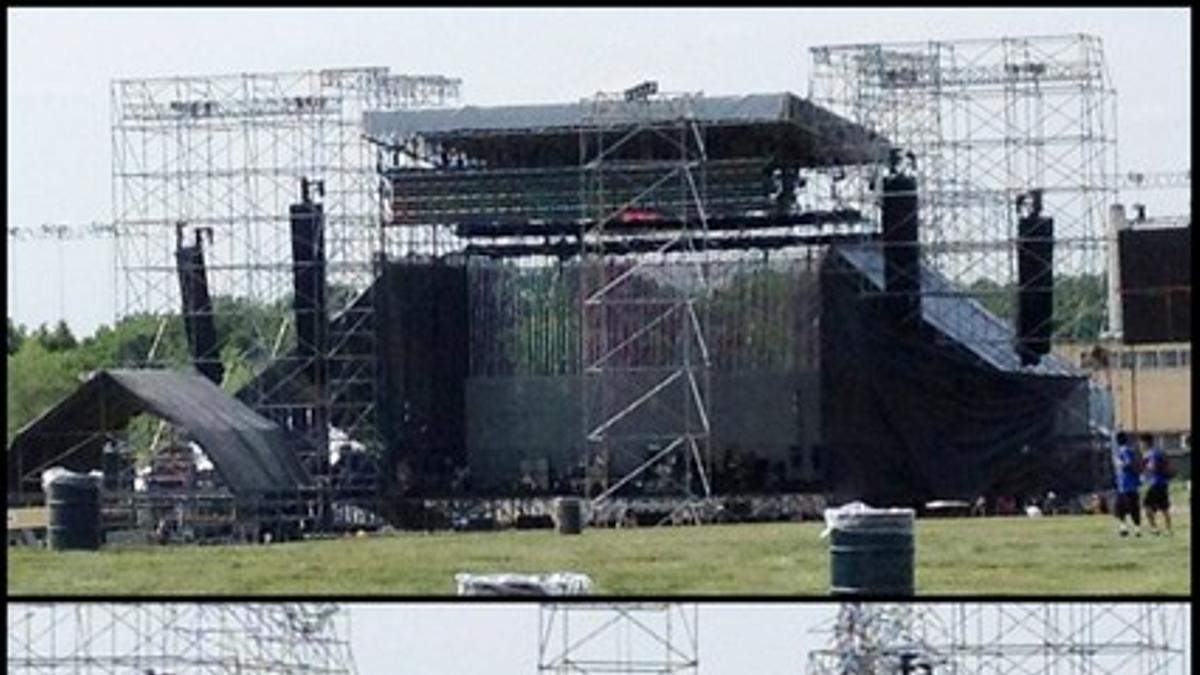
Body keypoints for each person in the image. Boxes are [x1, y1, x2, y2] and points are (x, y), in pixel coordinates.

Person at [1140, 433, 1173, 536]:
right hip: (1164, 483)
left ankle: (1154, 528)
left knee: (1146, 505)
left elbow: (1152, 467)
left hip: (1155, 483)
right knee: (1164, 508)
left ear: (1145, 442)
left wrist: (1145, 469)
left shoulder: (1150, 454)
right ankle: (1168, 530)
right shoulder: (1159, 452)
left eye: (1141, 443)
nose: (1140, 445)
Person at [1112, 431, 1142, 537]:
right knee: (1120, 508)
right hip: (1122, 486)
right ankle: (1123, 528)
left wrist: (1120, 463)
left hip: (1128, 485)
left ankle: (1137, 530)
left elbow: (1128, 463)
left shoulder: (1125, 450)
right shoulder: (1124, 450)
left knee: (1132, 508)